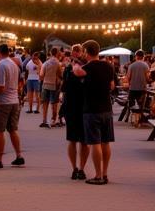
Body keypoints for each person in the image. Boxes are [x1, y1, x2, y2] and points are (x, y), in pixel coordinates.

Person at [72, 39, 115, 184]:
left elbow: (77, 72)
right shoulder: (109, 66)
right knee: (106, 142)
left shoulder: (88, 67)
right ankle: (105, 173)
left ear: (86, 52)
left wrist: (75, 63)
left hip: (91, 109)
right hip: (107, 108)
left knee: (95, 142)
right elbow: (112, 86)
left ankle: (98, 176)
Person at [60, 42, 90, 179]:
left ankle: (74, 168)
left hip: (71, 106)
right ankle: (81, 169)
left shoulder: (68, 70)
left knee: (72, 140)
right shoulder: (89, 69)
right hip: (85, 107)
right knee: (84, 141)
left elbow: (64, 89)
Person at [0, 43, 24, 167]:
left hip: (4, 101)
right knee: (13, 130)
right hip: (14, 100)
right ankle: (19, 155)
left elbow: (1, 86)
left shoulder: (1, 65)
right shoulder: (14, 64)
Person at [39, 47, 63, 127]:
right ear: (57, 53)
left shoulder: (45, 63)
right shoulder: (58, 63)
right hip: (54, 85)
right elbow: (60, 75)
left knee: (45, 103)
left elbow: (41, 75)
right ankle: (53, 120)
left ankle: (44, 120)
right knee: (54, 103)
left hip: (45, 84)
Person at [126, 50, 150, 125]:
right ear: (143, 57)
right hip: (142, 88)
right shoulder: (146, 65)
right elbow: (147, 77)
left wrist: (129, 83)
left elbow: (128, 77)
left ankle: (133, 119)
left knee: (132, 104)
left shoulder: (131, 65)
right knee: (141, 105)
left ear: (136, 56)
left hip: (133, 88)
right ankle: (140, 119)